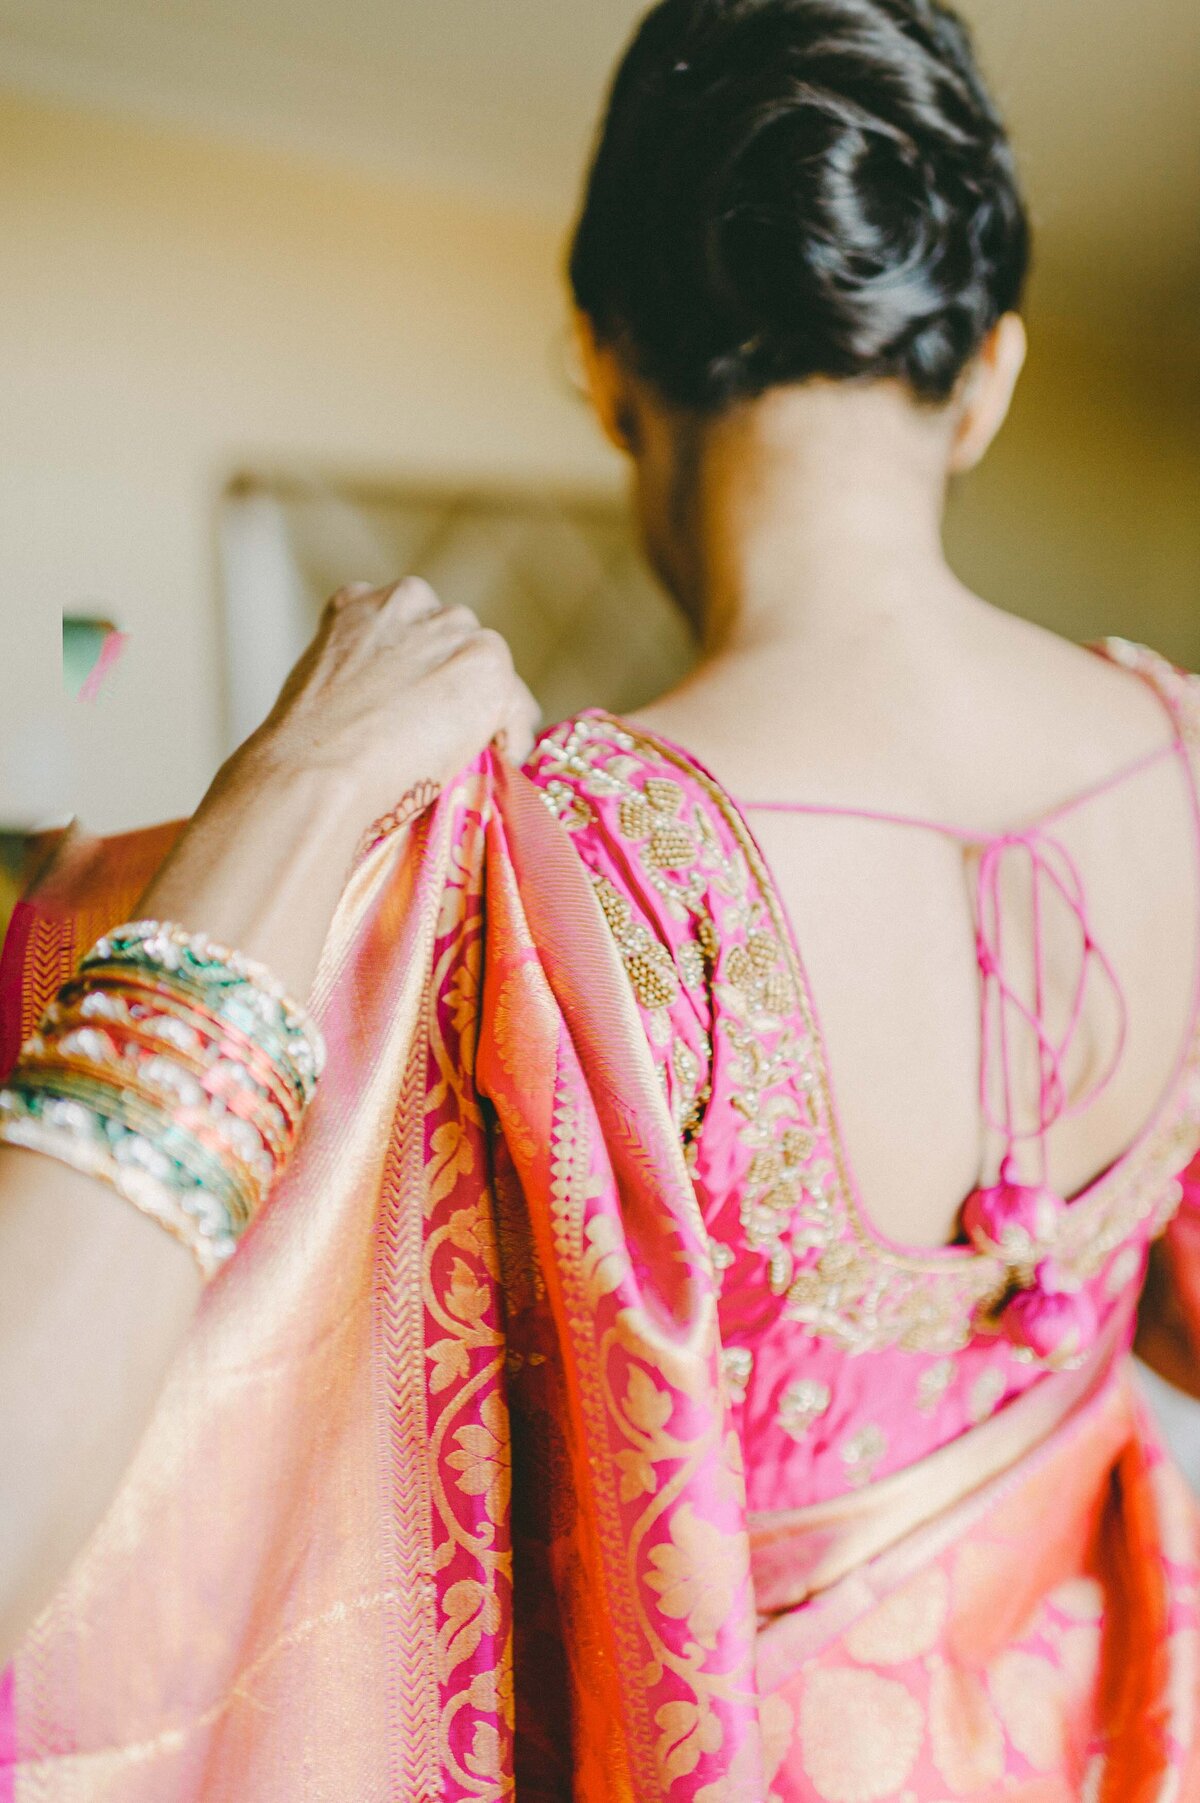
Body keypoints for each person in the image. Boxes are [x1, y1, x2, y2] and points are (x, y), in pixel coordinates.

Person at [2, 0, 1199, 1796]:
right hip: (1112, 1727)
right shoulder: (1179, 757)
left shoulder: (550, 865)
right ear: (994, 375)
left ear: (602, 358)